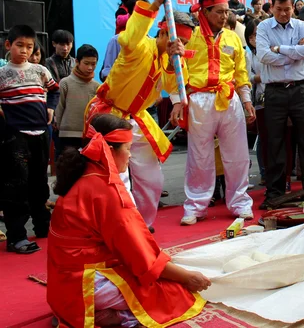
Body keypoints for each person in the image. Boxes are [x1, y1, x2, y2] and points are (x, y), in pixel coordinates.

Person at [47, 114, 210, 327]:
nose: (130, 156)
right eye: (127, 149)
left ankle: (100, 312)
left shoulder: (83, 174)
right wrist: (186, 277)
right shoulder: (107, 191)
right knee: (172, 290)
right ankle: (112, 316)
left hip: (61, 284)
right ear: (109, 151)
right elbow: (140, 256)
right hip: (87, 283)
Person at [86, 0, 188, 231]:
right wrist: (153, 5)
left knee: (152, 178)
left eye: (184, 43)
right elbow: (130, 35)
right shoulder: (137, 45)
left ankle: (142, 223)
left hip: (138, 118)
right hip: (110, 116)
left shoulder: (166, 58)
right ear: (163, 33)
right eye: (178, 41)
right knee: (116, 177)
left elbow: (175, 85)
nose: (180, 46)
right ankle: (124, 226)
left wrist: (178, 60)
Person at [169, 0, 255, 226]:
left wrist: (246, 100)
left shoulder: (233, 37)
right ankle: (196, 206)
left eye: (227, 11)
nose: (224, 16)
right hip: (199, 100)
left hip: (228, 98)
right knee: (199, 156)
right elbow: (176, 72)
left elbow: (241, 73)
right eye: (219, 12)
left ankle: (240, 202)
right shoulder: (188, 37)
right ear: (204, 12)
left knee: (237, 154)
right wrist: (177, 100)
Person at [0, 25, 59, 254]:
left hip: (41, 133)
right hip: (15, 136)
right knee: (16, 186)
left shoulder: (40, 70)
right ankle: (17, 237)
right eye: (19, 45)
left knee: (39, 183)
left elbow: (54, 90)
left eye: (29, 47)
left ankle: (43, 226)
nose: (24, 50)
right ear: (8, 45)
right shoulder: (3, 74)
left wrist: (51, 108)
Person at [256, 0, 304, 209]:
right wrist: (293, 55)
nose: (283, 14)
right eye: (279, 9)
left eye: (288, 9)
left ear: (293, 7)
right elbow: (263, 55)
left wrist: (280, 49)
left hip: (300, 90)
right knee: (275, 142)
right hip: (275, 91)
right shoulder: (263, 27)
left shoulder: (301, 25)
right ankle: (275, 193)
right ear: (271, 7)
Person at [55, 44, 100, 152]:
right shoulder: (65, 83)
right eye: (86, 63)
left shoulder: (97, 87)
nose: (90, 67)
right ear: (77, 61)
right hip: (67, 135)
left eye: (93, 64)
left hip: (89, 135)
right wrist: (59, 129)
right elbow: (59, 108)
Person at [101, 0, 150, 82]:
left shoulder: (152, 43)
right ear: (130, 17)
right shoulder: (116, 41)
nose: (144, 19)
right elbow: (107, 74)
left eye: (147, 15)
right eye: (139, 15)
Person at [245, 19, 268, 185]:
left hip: (276, 96)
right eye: (254, 34)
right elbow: (245, 77)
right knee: (263, 136)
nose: (257, 37)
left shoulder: (268, 49)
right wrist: (257, 78)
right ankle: (264, 172)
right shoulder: (247, 54)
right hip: (259, 99)